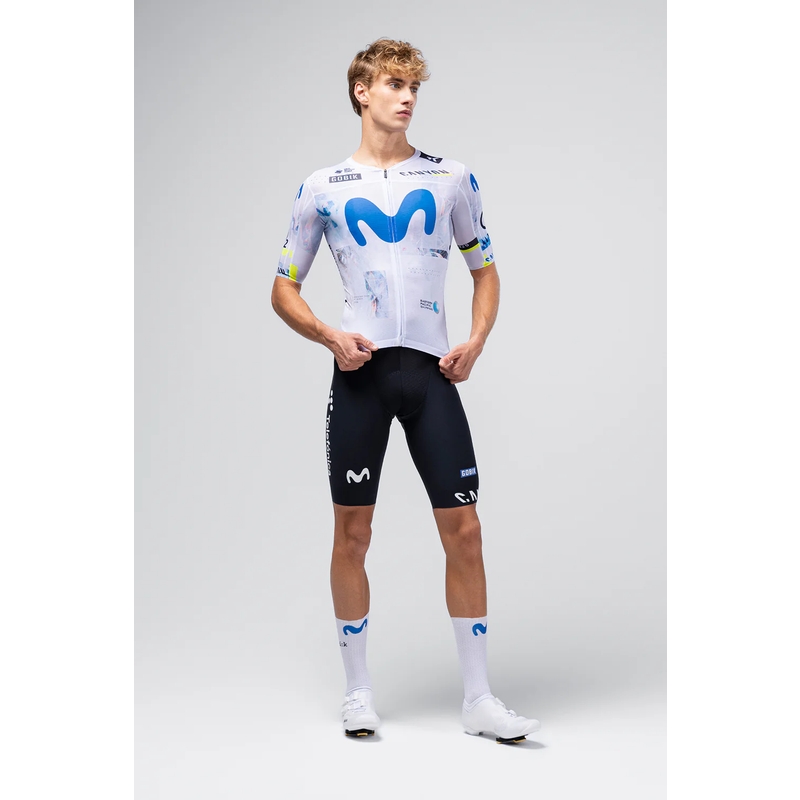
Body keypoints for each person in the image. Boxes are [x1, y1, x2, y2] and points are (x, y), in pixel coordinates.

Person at [271, 38, 540, 744]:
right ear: (362, 92)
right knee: (352, 534)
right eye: (393, 84)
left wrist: (476, 340)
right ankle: (358, 692)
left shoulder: (451, 177)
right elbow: (283, 287)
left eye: (414, 86)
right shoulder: (323, 186)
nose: (408, 96)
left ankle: (479, 699)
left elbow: (485, 269)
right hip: (360, 376)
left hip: (429, 375)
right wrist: (328, 336)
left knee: (466, 530)